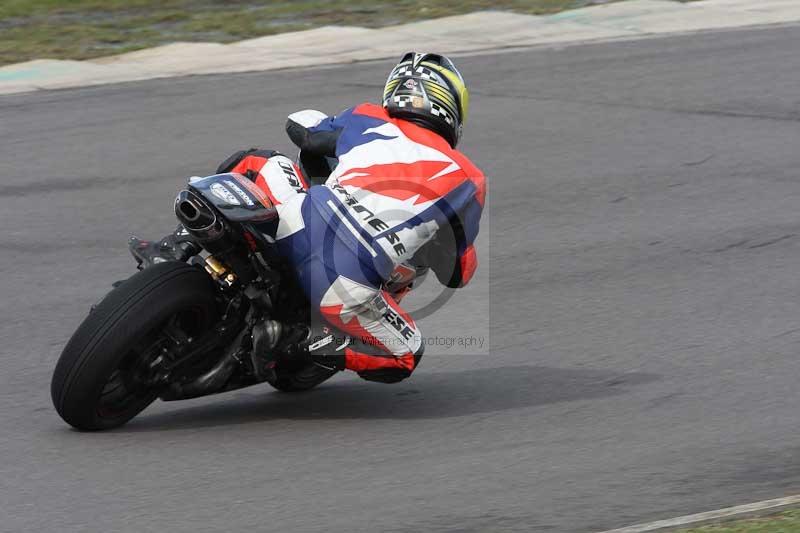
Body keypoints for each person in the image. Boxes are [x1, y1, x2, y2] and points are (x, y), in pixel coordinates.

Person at [133, 52, 486, 384]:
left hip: (296, 225)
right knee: (406, 354)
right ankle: (301, 344)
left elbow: (303, 130)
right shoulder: (469, 179)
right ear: (453, 107)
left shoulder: (368, 117)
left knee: (260, 160)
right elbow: (458, 273)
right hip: (347, 284)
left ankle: (176, 245)